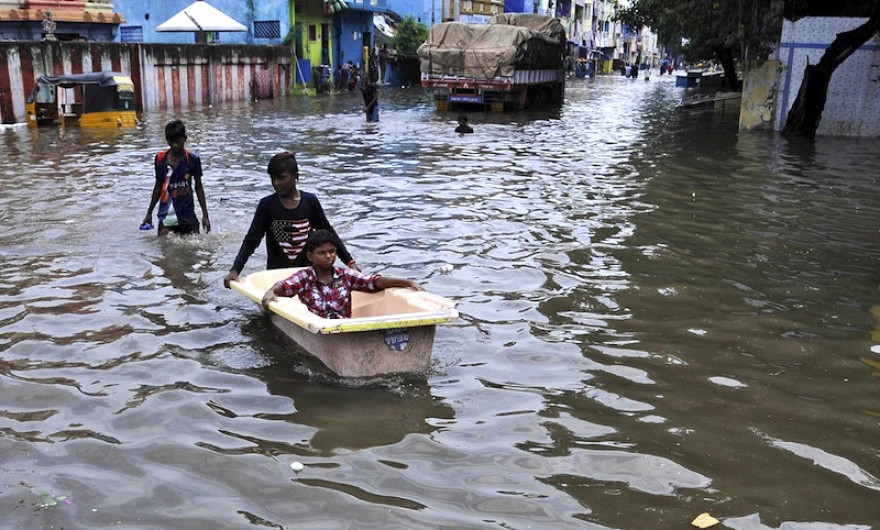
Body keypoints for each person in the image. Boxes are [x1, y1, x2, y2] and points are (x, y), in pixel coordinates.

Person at [223, 152, 358, 288]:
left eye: (282, 178)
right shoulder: (267, 205)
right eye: (273, 178)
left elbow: (329, 234)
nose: (276, 183)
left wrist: (350, 262)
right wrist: (235, 270)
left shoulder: (310, 202)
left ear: (295, 176)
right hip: (276, 277)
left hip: (306, 276)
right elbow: (251, 241)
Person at [261, 229, 423, 319]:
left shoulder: (345, 275)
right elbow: (283, 286)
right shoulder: (305, 278)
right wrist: (270, 292)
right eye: (322, 253)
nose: (328, 256)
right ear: (310, 256)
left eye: (332, 251)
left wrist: (406, 282)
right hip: (319, 328)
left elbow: (373, 281)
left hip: (344, 328)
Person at [141, 119, 210, 236]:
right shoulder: (160, 160)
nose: (175, 145)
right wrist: (149, 213)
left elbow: (198, 187)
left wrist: (205, 215)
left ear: (185, 138)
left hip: (188, 214)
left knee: (194, 249)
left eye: (178, 141)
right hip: (167, 215)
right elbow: (158, 186)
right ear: (167, 141)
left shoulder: (193, 160)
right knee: (165, 249)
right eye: (171, 142)